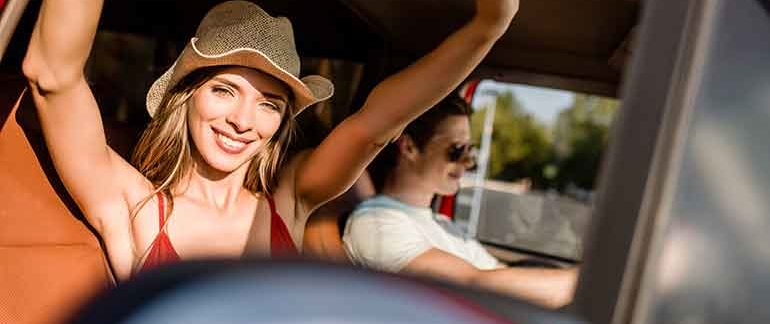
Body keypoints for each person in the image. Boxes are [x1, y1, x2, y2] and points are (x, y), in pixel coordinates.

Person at [21, 0, 518, 281]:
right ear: (187, 97)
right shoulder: (135, 204)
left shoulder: (291, 199)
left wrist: (486, 29)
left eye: (268, 104)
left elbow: (375, 126)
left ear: (281, 123)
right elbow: (52, 75)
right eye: (224, 90)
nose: (243, 120)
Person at [343, 96, 578, 309]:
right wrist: (585, 281)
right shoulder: (376, 225)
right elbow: (475, 285)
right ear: (409, 147)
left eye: (470, 151)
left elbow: (499, 274)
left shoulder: (444, 224)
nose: (467, 162)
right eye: (456, 150)